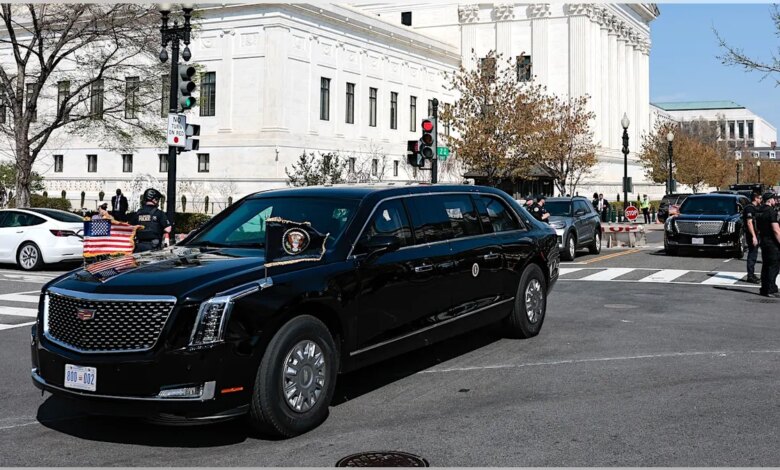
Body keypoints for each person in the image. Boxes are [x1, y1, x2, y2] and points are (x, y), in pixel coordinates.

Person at [129, 188, 171, 253]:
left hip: (138, 246)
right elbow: (168, 229)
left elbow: (130, 228)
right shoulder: (159, 213)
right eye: (158, 199)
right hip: (154, 247)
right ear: (155, 199)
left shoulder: (138, 213)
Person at [755, 192, 780, 298]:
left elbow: (756, 226)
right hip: (772, 242)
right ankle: (771, 289)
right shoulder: (771, 212)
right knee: (773, 266)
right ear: (770, 200)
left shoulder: (759, 210)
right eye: (774, 199)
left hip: (763, 240)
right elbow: (776, 230)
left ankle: (764, 288)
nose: (775, 201)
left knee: (765, 265)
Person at [743, 191, 762, 284]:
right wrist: (754, 236)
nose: (761, 200)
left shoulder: (755, 208)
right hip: (751, 234)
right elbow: (749, 222)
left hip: (756, 233)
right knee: (752, 255)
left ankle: (752, 274)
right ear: (756, 198)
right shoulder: (749, 208)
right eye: (760, 198)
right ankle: (750, 275)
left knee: (754, 254)